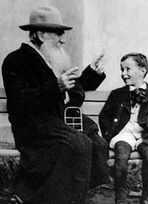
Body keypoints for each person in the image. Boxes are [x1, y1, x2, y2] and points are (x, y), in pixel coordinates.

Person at [2, 5, 109, 204]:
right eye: (58, 33)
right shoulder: (15, 61)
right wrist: (56, 86)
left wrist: (91, 73)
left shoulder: (52, 57)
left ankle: (66, 194)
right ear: (41, 35)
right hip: (33, 124)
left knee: (98, 143)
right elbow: (19, 101)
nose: (63, 39)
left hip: (57, 119)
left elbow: (74, 89)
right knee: (79, 144)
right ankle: (43, 198)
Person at [99, 53, 148, 204]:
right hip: (123, 133)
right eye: (122, 69)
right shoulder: (117, 94)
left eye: (128, 69)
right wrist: (109, 132)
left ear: (142, 71)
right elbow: (104, 116)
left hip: (145, 134)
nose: (123, 74)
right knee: (121, 153)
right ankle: (120, 197)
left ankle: (146, 197)